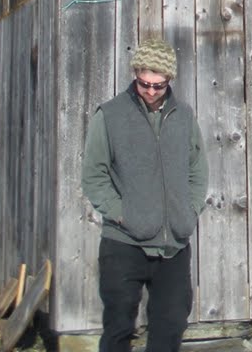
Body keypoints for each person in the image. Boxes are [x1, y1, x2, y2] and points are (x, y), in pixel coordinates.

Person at [80, 39, 207, 352]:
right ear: (136, 74)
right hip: (124, 244)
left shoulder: (184, 116)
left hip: (174, 244)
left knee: (171, 327)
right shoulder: (109, 115)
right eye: (143, 84)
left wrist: (189, 210)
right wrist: (121, 213)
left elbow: (197, 169)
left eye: (158, 85)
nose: (150, 91)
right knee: (118, 329)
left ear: (169, 81)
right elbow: (93, 174)